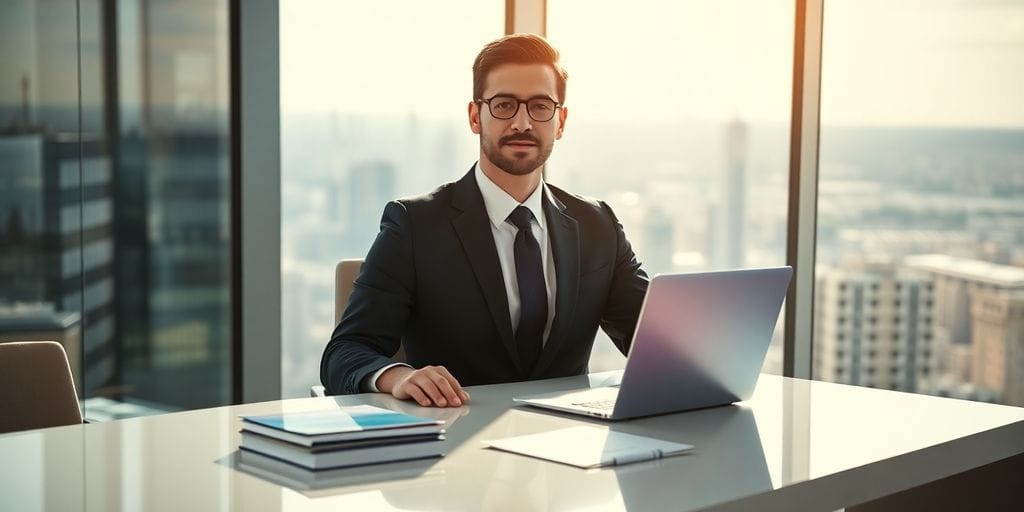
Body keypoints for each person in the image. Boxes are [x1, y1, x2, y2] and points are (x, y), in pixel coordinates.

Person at [320, 33, 648, 407]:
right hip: (455, 444)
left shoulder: (597, 224)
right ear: (476, 117)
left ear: (560, 121)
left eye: (540, 106)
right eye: (504, 105)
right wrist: (400, 377)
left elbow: (656, 340)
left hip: (567, 446)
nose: (522, 122)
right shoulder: (413, 225)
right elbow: (344, 353)